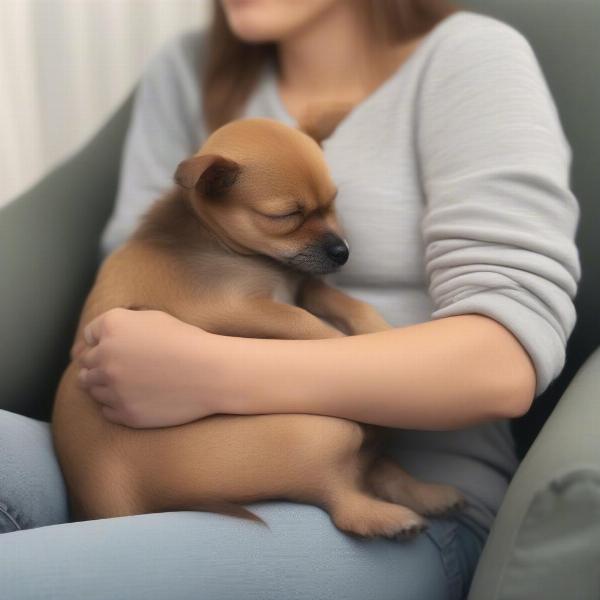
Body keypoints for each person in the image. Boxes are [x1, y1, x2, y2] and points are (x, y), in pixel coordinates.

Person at [0, 1, 580, 599]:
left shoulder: (467, 58)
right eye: (287, 216)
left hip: (406, 493)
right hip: (164, 450)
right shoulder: (186, 68)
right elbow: (147, 284)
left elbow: (502, 363)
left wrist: (211, 372)